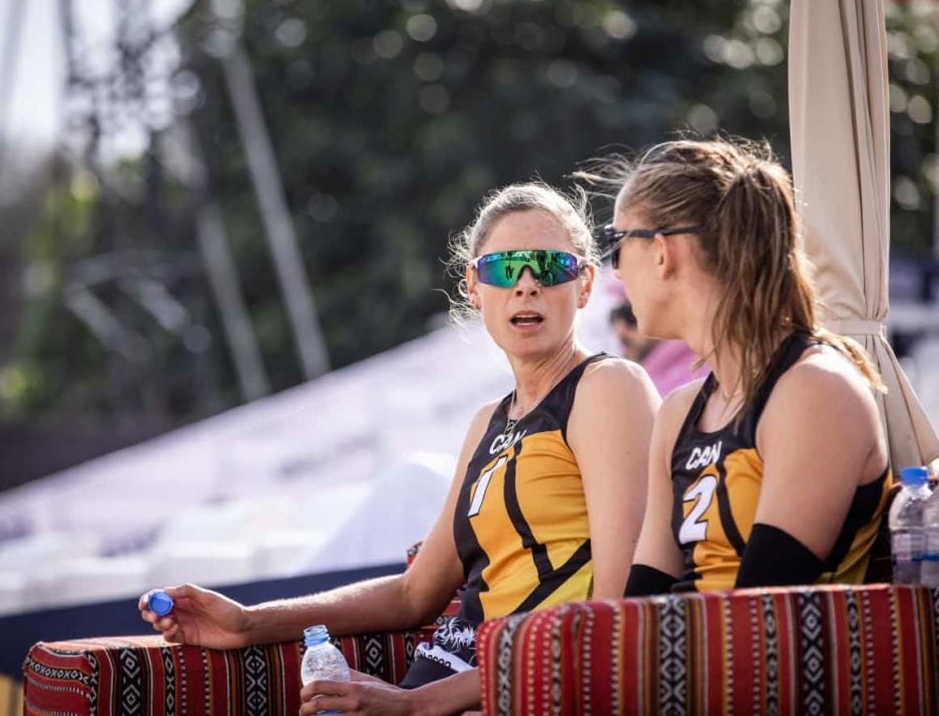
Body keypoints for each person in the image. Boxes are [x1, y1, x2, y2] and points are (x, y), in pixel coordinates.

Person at [139, 182, 659, 715]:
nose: (526, 286)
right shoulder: (488, 422)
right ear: (475, 287)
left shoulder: (609, 388)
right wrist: (249, 622)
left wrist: (416, 704)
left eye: (549, 267)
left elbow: (613, 615)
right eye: (505, 268)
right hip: (442, 682)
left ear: (586, 284)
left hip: (513, 694)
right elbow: (415, 594)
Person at [591, 137, 892, 596]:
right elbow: (636, 610)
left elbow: (757, 619)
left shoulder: (816, 391)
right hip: (677, 655)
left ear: (661, 252)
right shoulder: (678, 413)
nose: (615, 272)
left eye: (616, 244)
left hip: (758, 661)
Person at [608, 281, 708, 396]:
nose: (620, 330)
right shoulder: (637, 383)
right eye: (614, 316)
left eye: (631, 315)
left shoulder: (704, 375)